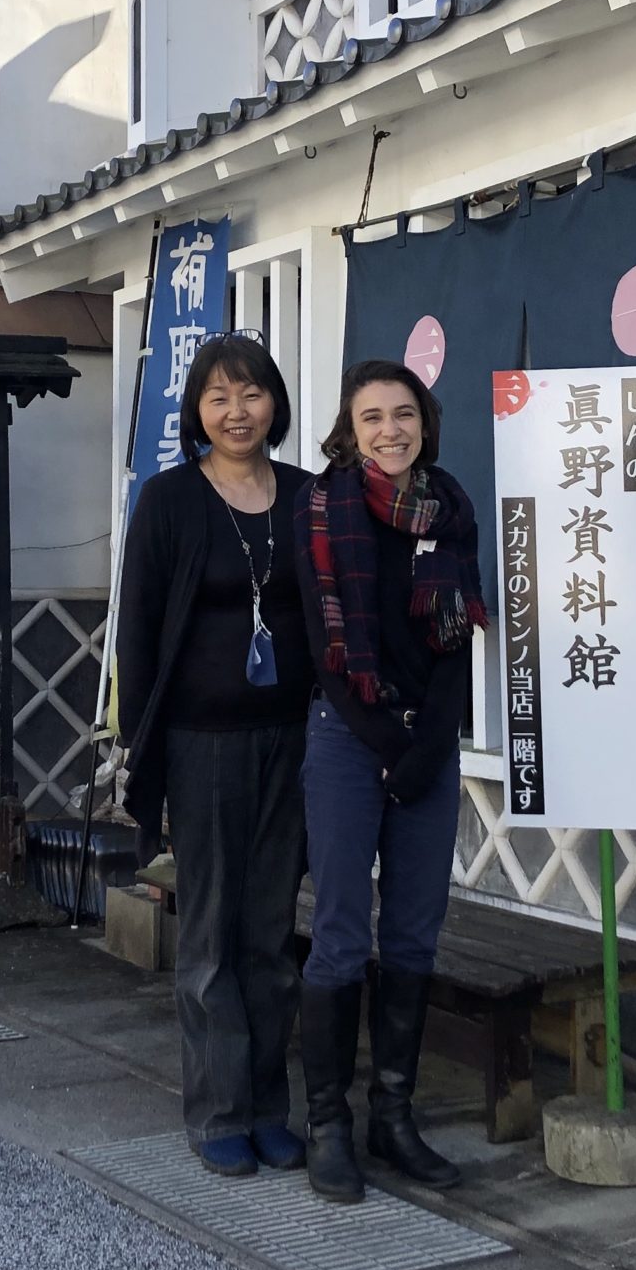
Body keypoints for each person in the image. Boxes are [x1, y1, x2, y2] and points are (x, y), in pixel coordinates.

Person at [113, 334, 316, 1177]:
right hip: (201, 744)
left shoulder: (308, 496)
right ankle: (219, 1110)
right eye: (218, 398)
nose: (237, 412)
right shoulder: (168, 500)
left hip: (292, 740)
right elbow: (139, 630)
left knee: (271, 932)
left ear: (276, 402)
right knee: (210, 936)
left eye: (253, 394)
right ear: (195, 411)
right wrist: (140, 749)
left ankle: (271, 1105)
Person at [292, 359, 488, 1203]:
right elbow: (321, 648)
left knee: (413, 932)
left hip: (426, 744)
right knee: (340, 932)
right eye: (371, 417)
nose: (389, 431)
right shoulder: (321, 509)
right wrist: (382, 742)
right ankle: (330, 1125)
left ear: (425, 421)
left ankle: (393, 1116)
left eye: (403, 414)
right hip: (346, 736)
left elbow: (457, 645)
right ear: (350, 428)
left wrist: (428, 743)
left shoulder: (451, 508)